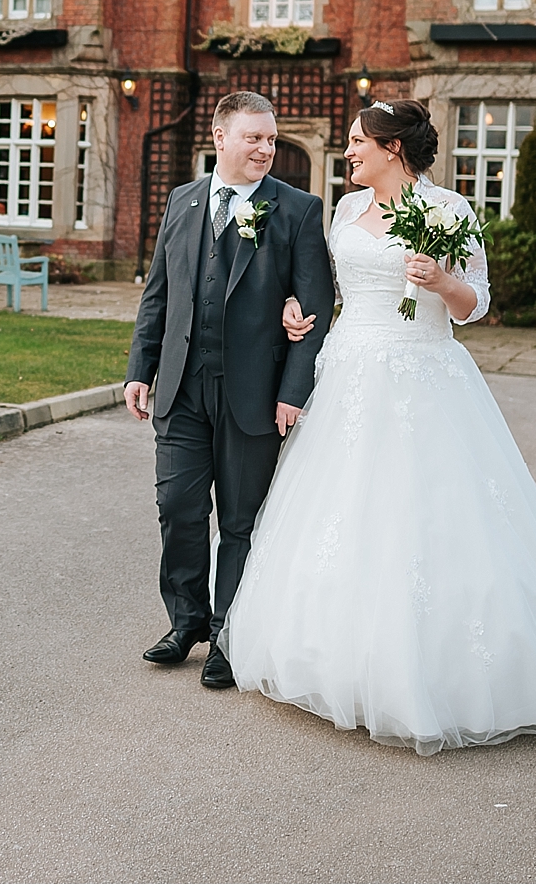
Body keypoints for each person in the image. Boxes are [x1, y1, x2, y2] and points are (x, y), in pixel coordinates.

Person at [221, 98, 536, 755]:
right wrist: (296, 305)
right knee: (343, 512)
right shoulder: (347, 212)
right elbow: (321, 288)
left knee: (433, 515)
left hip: (424, 376)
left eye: (357, 142)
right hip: (350, 373)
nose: (347, 152)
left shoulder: (448, 212)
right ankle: (335, 654)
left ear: (393, 150)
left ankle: (444, 666)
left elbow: (475, 304)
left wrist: (438, 279)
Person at [125, 91, 333, 689]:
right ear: (221, 138)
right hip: (182, 390)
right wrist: (141, 369)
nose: (267, 149)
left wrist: (293, 392)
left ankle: (228, 634)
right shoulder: (182, 201)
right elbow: (158, 294)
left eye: (271, 139)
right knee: (178, 510)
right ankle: (185, 620)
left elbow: (315, 308)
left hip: (254, 395)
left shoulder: (295, 209)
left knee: (240, 521)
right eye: (255, 138)